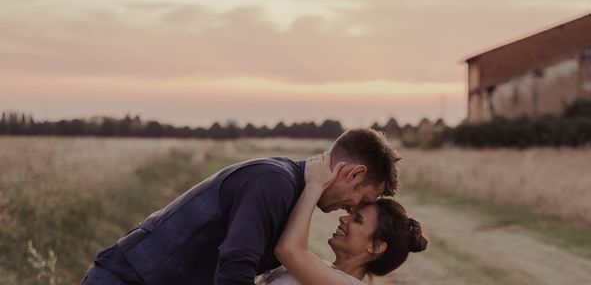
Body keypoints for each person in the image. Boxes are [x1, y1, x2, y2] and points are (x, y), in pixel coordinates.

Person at [81, 128, 401, 285]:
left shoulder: (292, 196)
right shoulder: (274, 183)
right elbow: (235, 268)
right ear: (354, 173)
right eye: (362, 200)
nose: (350, 210)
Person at [256, 153, 427, 285]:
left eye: (357, 219)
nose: (344, 218)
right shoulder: (317, 266)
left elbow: (288, 250)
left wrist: (315, 185)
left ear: (375, 247)